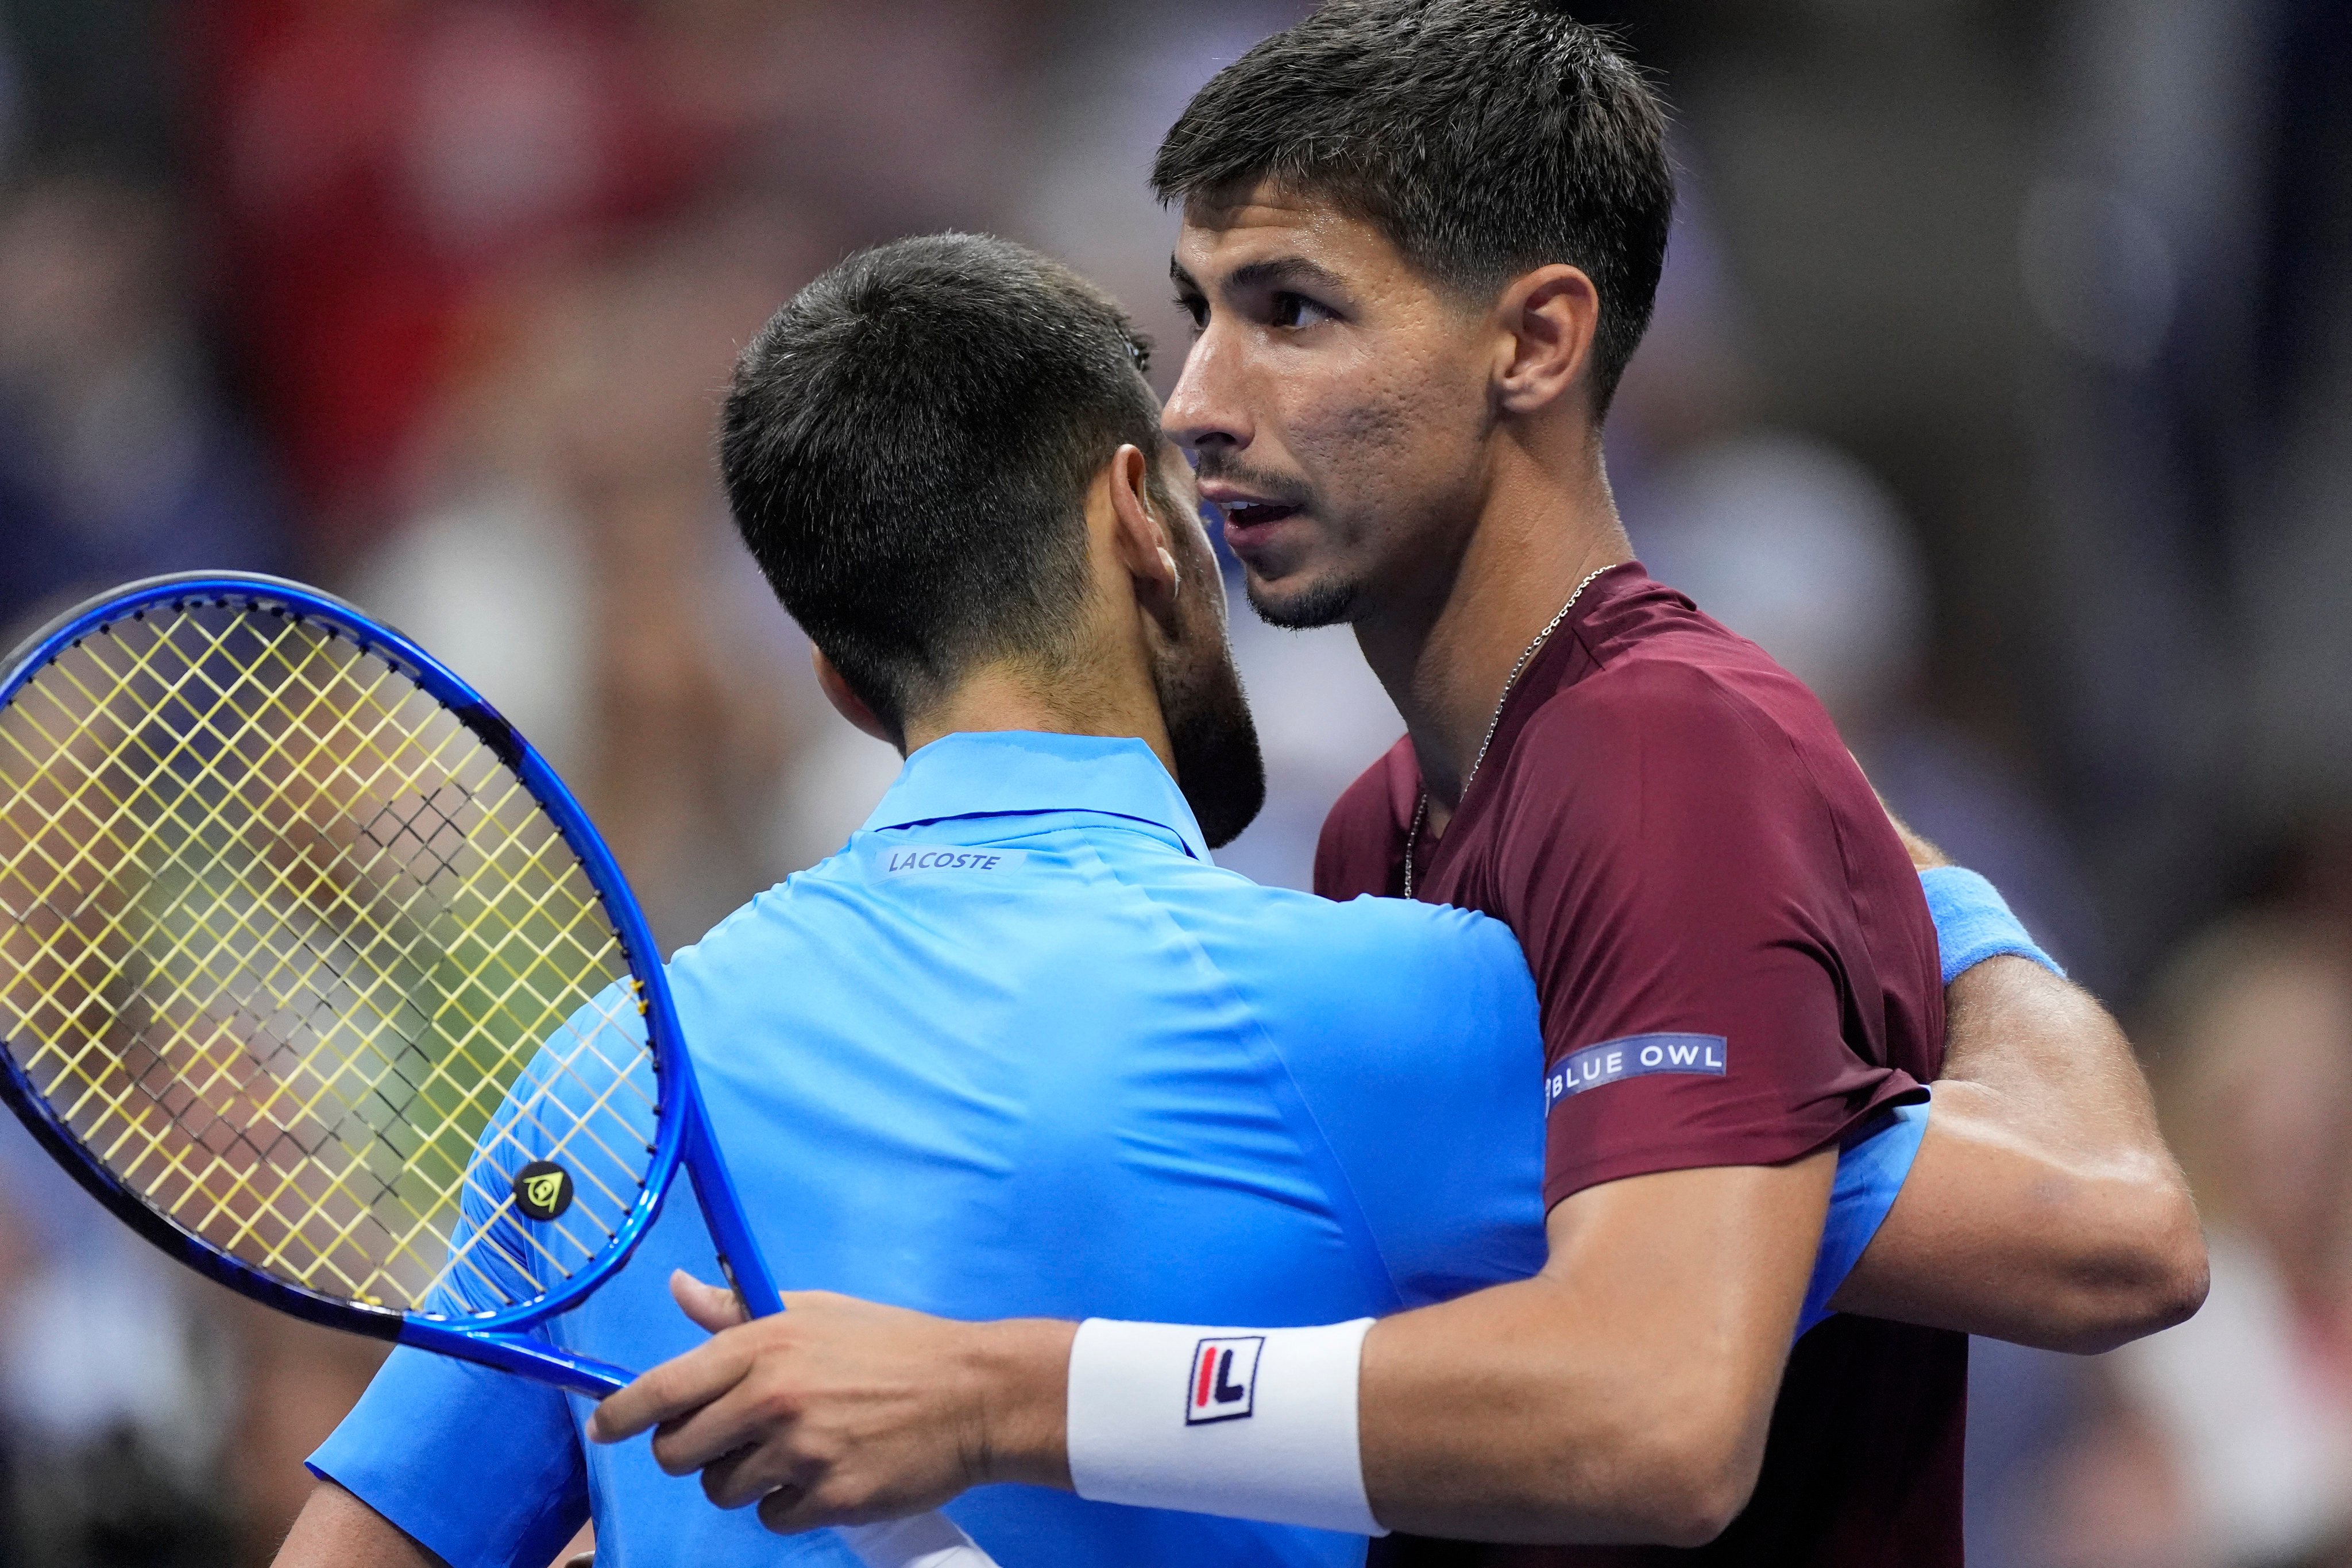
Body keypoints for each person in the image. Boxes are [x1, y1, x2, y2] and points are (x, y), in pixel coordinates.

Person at [590, 6, 2206, 1565]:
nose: (1196, 404)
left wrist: (995, 1393)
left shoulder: (1667, 752)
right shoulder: (1387, 819)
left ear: (1537, 340)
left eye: (1292, 311)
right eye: (1201, 310)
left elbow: (1660, 1415)